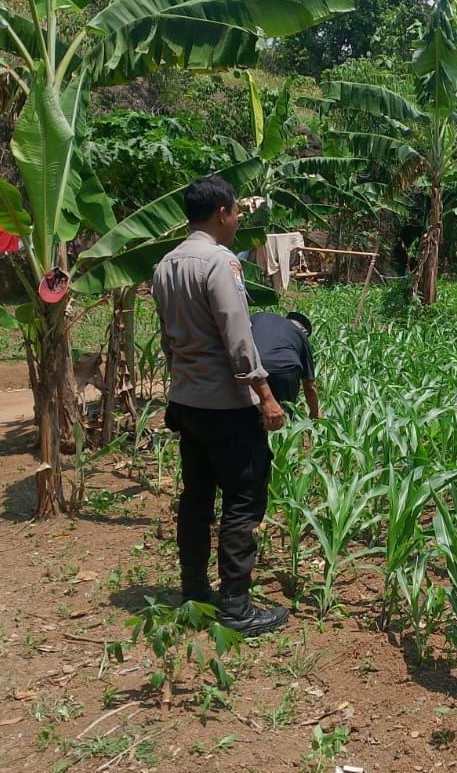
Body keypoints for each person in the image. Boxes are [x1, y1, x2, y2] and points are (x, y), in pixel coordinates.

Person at [152, 174, 289, 637]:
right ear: (221, 213)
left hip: (186, 401)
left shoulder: (165, 265)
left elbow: (169, 340)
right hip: (226, 407)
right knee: (242, 501)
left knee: (195, 499)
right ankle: (235, 607)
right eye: (235, 213)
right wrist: (265, 396)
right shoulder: (219, 263)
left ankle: (194, 593)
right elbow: (238, 337)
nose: (236, 222)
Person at [249, 311, 321, 418]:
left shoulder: (261, 316)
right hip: (284, 372)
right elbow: (310, 386)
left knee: (248, 414)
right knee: (282, 418)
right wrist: (315, 413)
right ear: (305, 332)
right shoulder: (301, 335)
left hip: (251, 366)